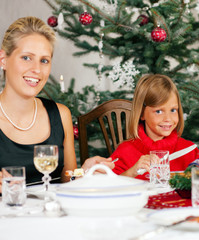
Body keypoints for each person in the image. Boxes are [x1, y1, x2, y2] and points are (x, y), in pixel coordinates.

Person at [0, 17, 114, 190]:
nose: (37, 69)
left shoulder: (60, 115)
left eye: (44, 60)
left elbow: (67, 181)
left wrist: (83, 172)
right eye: (26, 58)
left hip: (52, 215)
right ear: (3, 59)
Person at [110, 74, 199, 179]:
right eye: (159, 111)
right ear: (141, 113)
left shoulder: (188, 150)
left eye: (173, 110)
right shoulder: (125, 151)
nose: (168, 118)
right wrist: (132, 172)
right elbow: (108, 187)